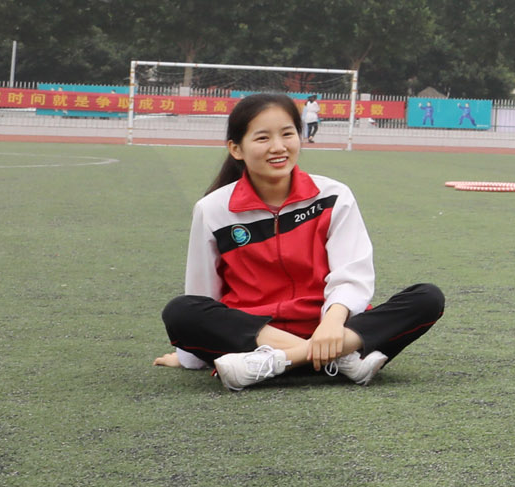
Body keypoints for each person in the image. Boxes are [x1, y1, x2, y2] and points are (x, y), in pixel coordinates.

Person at [158, 92, 444, 390]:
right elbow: (203, 292)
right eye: (262, 138)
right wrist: (190, 356)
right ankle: (338, 361)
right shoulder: (213, 209)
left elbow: (352, 273)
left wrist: (332, 325)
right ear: (236, 149)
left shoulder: (333, 196)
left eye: (287, 134)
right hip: (255, 335)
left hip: (331, 329)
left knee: (427, 298)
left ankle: (282, 361)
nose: (278, 147)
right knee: (180, 312)